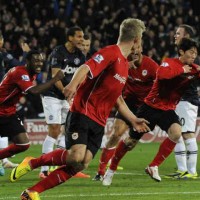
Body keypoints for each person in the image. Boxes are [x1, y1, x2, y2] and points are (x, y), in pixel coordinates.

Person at [10, 18, 148, 200]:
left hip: (99, 121)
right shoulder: (111, 52)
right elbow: (85, 67)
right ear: (136, 39)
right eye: (142, 39)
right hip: (83, 111)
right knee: (75, 156)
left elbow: (118, 100)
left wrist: (133, 120)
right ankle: (33, 162)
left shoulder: (123, 65)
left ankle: (32, 192)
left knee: (81, 164)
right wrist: (72, 85)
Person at [102, 37, 199, 185]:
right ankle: (111, 169)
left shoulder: (194, 69)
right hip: (150, 108)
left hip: (167, 110)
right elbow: (163, 75)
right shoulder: (170, 63)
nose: (194, 56)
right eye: (191, 52)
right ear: (181, 51)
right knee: (130, 142)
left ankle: (153, 166)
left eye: (195, 53)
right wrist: (181, 70)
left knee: (176, 132)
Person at [93, 43, 159, 181]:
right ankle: (100, 172)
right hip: (127, 103)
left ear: (142, 49)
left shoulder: (151, 66)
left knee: (130, 143)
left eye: (138, 48)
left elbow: (162, 83)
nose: (135, 51)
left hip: (144, 107)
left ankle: (113, 162)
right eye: (132, 48)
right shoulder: (122, 63)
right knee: (116, 134)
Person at [0, 50, 64, 174]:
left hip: (8, 112)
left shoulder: (30, 74)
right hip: (1, 110)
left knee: (23, 144)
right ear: (28, 62)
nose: (39, 64)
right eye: (36, 61)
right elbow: (33, 91)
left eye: (41, 61)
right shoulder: (20, 72)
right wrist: (54, 79)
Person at [39, 26, 87, 179]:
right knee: (54, 130)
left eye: (83, 37)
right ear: (70, 37)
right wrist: (68, 93)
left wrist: (75, 93)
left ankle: (59, 167)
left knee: (68, 131)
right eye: (79, 36)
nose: (82, 40)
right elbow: (56, 76)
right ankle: (44, 169)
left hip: (68, 96)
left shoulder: (81, 55)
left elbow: (82, 77)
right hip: (52, 95)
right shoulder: (58, 52)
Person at [165, 24, 200, 179]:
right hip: (180, 100)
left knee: (187, 134)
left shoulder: (190, 56)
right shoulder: (181, 54)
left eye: (178, 33)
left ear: (186, 37)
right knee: (177, 134)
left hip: (186, 100)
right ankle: (182, 169)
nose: (175, 35)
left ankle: (191, 172)